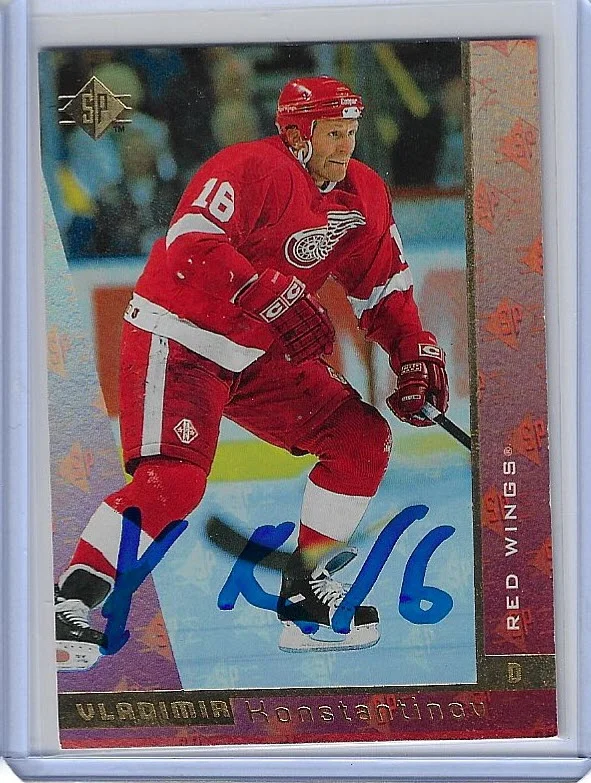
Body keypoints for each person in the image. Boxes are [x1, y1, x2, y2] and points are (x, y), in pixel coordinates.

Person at [54, 76, 449, 663]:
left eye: (351, 132)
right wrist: (267, 292)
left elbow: (384, 288)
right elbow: (190, 245)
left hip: (256, 353)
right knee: (173, 484)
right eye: (333, 133)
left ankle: (305, 591)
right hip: (180, 336)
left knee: (360, 438)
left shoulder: (362, 193)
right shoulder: (248, 167)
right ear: (296, 134)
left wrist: (412, 349)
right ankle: (67, 606)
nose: (346, 146)